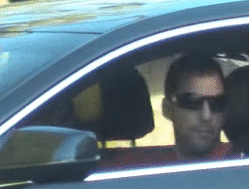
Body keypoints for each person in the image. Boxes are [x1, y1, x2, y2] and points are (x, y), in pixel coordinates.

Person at [100, 52, 236, 169]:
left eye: (217, 103)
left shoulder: (243, 165)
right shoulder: (127, 170)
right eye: (192, 102)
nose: (207, 115)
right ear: (168, 109)